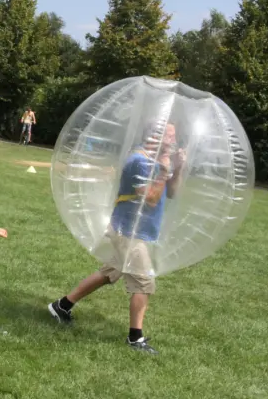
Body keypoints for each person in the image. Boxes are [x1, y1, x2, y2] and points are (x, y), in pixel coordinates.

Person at [47, 120, 186, 355]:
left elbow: (171, 193)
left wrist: (177, 168)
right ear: (155, 137)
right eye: (170, 137)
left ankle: (62, 306)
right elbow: (150, 199)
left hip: (136, 229)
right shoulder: (139, 162)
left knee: (109, 272)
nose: (174, 141)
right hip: (129, 231)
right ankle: (135, 339)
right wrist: (163, 169)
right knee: (143, 282)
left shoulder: (156, 162)